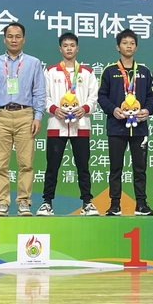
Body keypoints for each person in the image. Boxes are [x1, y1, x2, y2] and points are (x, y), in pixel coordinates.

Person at [0, 22, 46, 217]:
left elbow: (39, 92)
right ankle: (2, 202)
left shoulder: (33, 63)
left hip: (25, 115)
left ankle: (24, 201)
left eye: (18, 36)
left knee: (26, 163)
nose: (14, 40)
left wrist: (38, 116)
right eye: (10, 36)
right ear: (4, 39)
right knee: (0, 163)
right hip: (1, 115)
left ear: (23, 39)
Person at [37, 32, 100, 216]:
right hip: (56, 125)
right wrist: (54, 109)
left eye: (72, 45)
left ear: (77, 48)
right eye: (65, 46)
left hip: (81, 126)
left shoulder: (87, 72)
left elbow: (94, 97)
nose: (69, 48)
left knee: (83, 167)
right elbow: (43, 96)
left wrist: (85, 108)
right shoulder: (50, 71)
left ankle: (87, 203)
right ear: (60, 49)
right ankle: (47, 203)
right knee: (52, 166)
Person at [97, 29, 153, 216]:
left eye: (132, 43)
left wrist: (148, 110)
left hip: (139, 128)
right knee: (116, 168)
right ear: (118, 47)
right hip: (116, 127)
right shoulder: (109, 71)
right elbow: (102, 96)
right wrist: (113, 109)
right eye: (124, 43)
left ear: (136, 47)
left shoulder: (144, 72)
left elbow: (151, 96)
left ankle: (141, 204)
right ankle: (114, 204)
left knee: (140, 168)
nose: (128, 46)